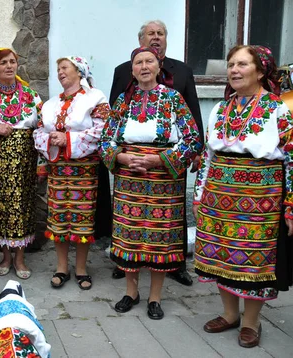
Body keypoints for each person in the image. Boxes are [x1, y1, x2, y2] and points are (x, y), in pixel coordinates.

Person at [193, 45, 293, 348]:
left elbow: (292, 159)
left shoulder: (279, 109)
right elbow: (208, 155)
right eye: (231, 64)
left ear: (261, 71)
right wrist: (199, 195)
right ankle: (229, 314)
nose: (234, 70)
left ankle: (251, 321)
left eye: (242, 64)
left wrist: (290, 206)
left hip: (260, 201)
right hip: (217, 197)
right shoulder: (222, 109)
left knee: (255, 260)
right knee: (220, 256)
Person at [101, 46, 201, 320]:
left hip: (164, 180)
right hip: (129, 179)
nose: (144, 66)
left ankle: (155, 297)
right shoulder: (123, 101)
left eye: (149, 62)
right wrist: (121, 157)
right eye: (138, 63)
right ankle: (131, 291)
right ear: (132, 70)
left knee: (160, 238)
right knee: (129, 235)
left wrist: (159, 160)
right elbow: (104, 140)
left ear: (159, 67)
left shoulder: (174, 99)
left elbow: (192, 139)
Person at [33, 56, 110, 290]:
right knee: (58, 220)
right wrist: (50, 139)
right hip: (59, 170)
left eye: (64, 68)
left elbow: (101, 132)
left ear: (79, 71)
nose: (60, 72)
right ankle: (61, 267)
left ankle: (82, 268)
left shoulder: (96, 98)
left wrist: (66, 138)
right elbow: (38, 132)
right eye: (58, 69)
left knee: (82, 221)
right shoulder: (49, 105)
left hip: (84, 171)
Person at [0, 47, 43, 279]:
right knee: (0, 208)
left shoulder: (32, 96)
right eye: (3, 63)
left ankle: (20, 258)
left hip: (25, 163)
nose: (9, 66)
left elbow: (43, 127)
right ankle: (5, 255)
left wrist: (42, 164)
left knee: (23, 206)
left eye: (12, 61)